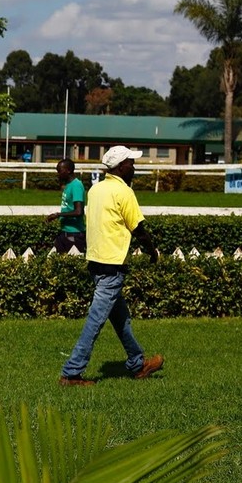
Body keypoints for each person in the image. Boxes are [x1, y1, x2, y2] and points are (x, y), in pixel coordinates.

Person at [60, 145, 164, 386]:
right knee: (95, 321)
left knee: (121, 319)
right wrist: (152, 251)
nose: (134, 167)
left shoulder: (96, 190)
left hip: (96, 262)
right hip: (112, 265)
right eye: (131, 163)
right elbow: (138, 228)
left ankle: (138, 364)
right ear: (119, 167)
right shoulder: (124, 193)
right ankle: (71, 372)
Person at [45, 158, 87, 254]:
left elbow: (78, 211)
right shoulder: (68, 185)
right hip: (64, 232)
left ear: (68, 170)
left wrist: (58, 215)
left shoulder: (76, 185)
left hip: (74, 234)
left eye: (60, 171)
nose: (58, 174)